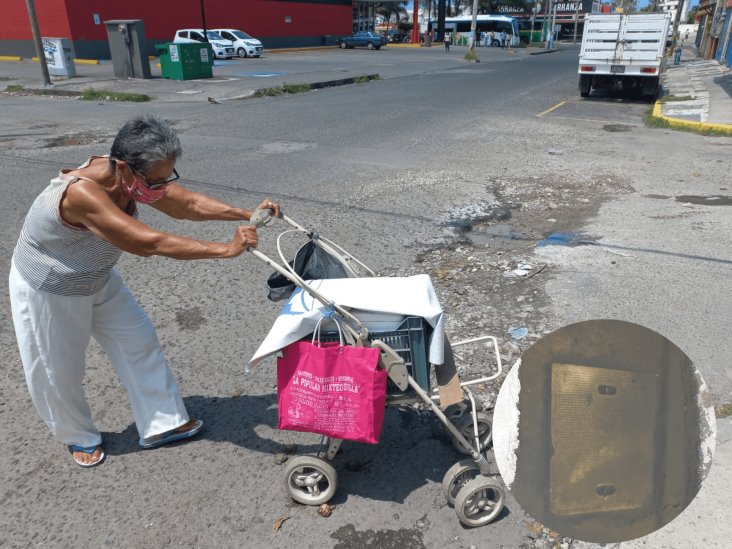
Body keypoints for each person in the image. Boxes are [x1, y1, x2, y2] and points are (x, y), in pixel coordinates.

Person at [8, 115, 281, 468]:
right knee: (57, 369)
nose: (160, 187)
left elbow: (189, 205)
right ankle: (78, 435)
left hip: (97, 275)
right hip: (51, 287)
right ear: (122, 168)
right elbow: (148, 243)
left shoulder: (130, 178)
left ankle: (162, 423)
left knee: (139, 341)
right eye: (155, 180)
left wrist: (248, 214)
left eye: (166, 177)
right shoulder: (81, 193)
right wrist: (225, 249)